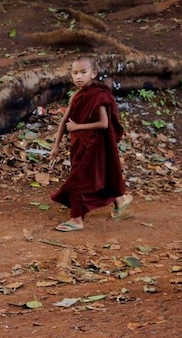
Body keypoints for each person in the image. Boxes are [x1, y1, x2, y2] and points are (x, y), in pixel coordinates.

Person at [49, 56, 133, 232]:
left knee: (80, 180)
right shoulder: (76, 97)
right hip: (80, 145)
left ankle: (76, 219)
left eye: (83, 72)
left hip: (94, 146)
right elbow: (64, 121)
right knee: (92, 177)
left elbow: (103, 123)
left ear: (93, 73)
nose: (78, 77)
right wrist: (55, 145)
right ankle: (119, 201)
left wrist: (78, 127)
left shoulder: (99, 95)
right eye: (75, 73)